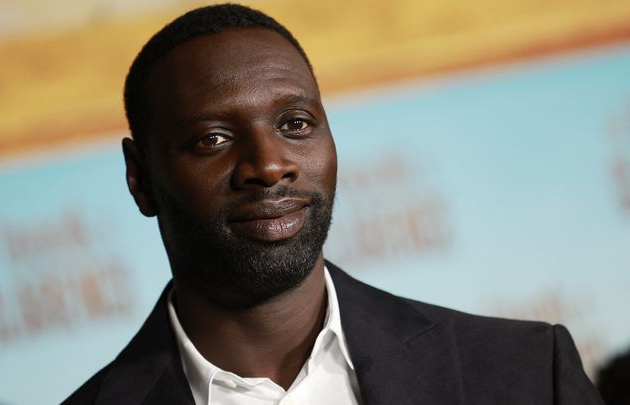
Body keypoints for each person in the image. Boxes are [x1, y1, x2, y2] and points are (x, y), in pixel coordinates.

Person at [64, 4, 604, 404]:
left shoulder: (528, 373)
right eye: (213, 139)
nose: (270, 165)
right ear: (140, 178)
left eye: (295, 124)